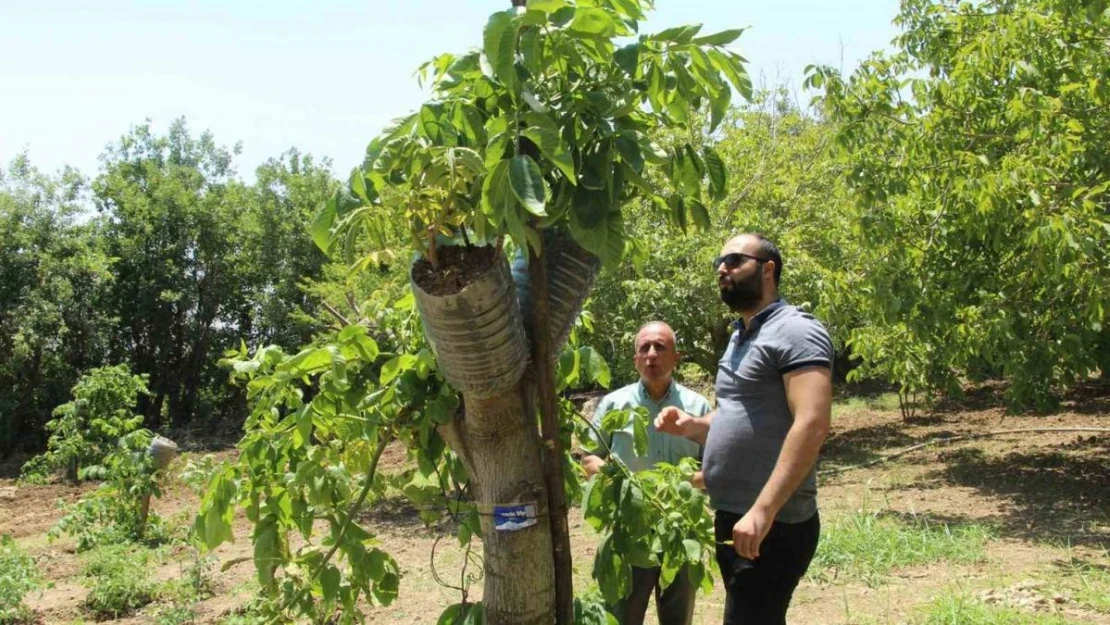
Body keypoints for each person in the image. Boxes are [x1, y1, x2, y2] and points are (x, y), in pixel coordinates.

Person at [654, 234, 833, 625]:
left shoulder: (796, 330)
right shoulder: (741, 335)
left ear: (768, 269)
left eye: (735, 260)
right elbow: (738, 413)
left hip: (775, 523)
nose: (722, 268)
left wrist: (762, 511)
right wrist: (693, 426)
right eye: (720, 261)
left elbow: (813, 422)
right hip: (734, 514)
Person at [581, 321, 712, 625]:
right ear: (635, 360)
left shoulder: (698, 406)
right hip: (629, 529)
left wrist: (675, 486)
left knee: (677, 617)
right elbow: (589, 460)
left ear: (676, 357)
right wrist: (628, 486)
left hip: (681, 529)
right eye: (645, 348)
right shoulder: (614, 404)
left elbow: (713, 470)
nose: (652, 354)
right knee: (623, 614)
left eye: (660, 347)